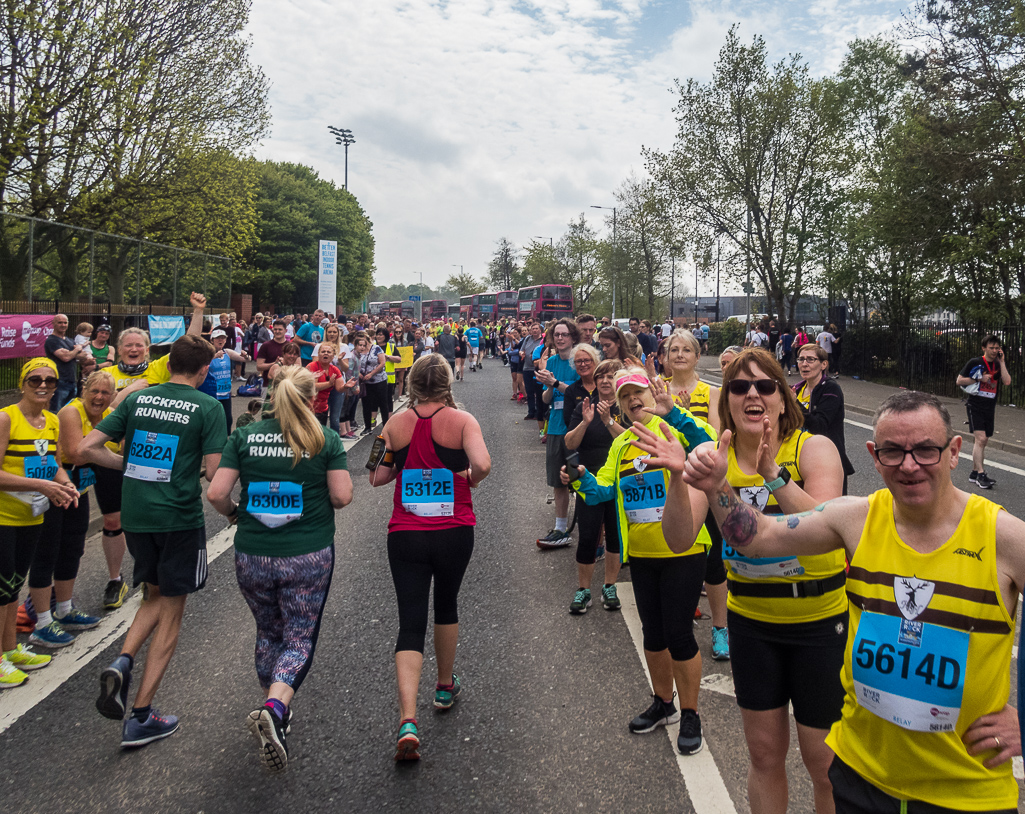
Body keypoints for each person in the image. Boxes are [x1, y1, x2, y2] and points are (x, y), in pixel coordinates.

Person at [663, 389, 1024, 814]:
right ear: (873, 455)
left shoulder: (1003, 537)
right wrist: (717, 485)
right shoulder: (856, 517)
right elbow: (757, 538)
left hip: (965, 793)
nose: (909, 465)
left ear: (954, 451)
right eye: (892, 451)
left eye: (926, 450)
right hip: (859, 779)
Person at [668, 347, 847, 813]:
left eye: (765, 386)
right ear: (726, 401)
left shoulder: (813, 447)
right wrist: (676, 478)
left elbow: (827, 530)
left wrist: (772, 475)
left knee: (824, 761)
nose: (753, 394)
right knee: (764, 754)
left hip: (818, 621)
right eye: (740, 387)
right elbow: (679, 537)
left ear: (783, 400)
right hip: (753, 621)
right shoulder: (713, 455)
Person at [82, 334, 228, 749]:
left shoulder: (137, 400)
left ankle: (123, 661)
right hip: (178, 518)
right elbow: (216, 476)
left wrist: (127, 465)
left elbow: (87, 447)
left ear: (169, 363)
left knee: (152, 595)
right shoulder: (208, 406)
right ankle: (142, 714)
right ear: (202, 371)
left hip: (138, 518)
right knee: (172, 612)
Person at [207, 365, 352, 772]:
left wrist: (236, 514)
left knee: (269, 629)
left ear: (273, 394)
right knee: (299, 636)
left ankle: (276, 709)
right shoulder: (324, 438)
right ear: (311, 398)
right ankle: (275, 704)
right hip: (307, 553)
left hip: (252, 553)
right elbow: (342, 497)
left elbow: (217, 492)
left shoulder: (245, 436)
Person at [563, 369, 716, 755]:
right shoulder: (622, 445)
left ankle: (691, 713)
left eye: (639, 392)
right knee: (653, 633)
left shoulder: (677, 429)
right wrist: (580, 479)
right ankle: (664, 703)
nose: (633, 399)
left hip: (684, 550)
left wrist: (676, 415)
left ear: (653, 395)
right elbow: (602, 491)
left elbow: (711, 447)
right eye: (624, 395)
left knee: (680, 634)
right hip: (644, 555)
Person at [368, 354, 491, 760]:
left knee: (409, 621)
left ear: (413, 383)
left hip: (406, 534)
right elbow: (483, 464)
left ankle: (407, 719)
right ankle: (443, 686)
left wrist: (405, 467)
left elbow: (376, 475)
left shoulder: (394, 424)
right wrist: (466, 478)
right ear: (447, 381)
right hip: (455, 529)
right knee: (447, 604)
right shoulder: (463, 421)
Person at [22, 371, 118, 649]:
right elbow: (76, 452)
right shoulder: (70, 412)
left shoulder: (109, 412)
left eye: (105, 392)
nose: (99, 397)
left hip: (79, 489)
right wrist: (115, 457)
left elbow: (121, 443)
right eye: (94, 391)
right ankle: (41, 621)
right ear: (83, 390)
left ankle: (64, 609)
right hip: (53, 489)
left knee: (73, 548)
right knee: (47, 553)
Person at [0, 359, 79, 687]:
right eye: (35, 379)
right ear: (23, 383)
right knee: (0, 589)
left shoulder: (50, 420)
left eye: (50, 380)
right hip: (4, 517)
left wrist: (64, 482)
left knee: (13, 586)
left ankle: (10, 649)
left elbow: (53, 463)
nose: (43, 385)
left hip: (31, 517)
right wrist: (41, 485)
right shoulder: (7, 418)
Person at [661, 330, 729, 660]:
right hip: (668, 483)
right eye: (673, 349)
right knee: (677, 555)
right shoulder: (657, 391)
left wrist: (684, 414)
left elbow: (715, 437)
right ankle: (681, 620)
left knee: (713, 561)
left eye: (686, 349)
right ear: (665, 355)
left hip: (702, 480)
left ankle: (720, 628)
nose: (679, 354)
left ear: (697, 355)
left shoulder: (711, 392)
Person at [563, 358, 624, 613]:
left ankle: (609, 585)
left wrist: (609, 421)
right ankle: (584, 590)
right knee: (588, 535)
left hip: (619, 481)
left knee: (615, 536)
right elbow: (569, 443)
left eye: (611, 377)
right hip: (589, 480)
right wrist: (586, 421)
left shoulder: (627, 406)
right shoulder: (586, 407)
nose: (605, 381)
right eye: (601, 377)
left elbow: (633, 441)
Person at [534, 318, 582, 548]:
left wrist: (555, 382)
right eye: (557, 335)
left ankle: (590, 530)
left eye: (564, 335)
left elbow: (580, 393)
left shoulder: (580, 361)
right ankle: (561, 528)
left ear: (573, 337)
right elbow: (546, 398)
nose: (560, 338)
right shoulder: (551, 361)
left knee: (580, 479)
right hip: (554, 427)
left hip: (577, 429)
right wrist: (546, 383)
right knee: (558, 482)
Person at [794, 344, 855, 494]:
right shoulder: (797, 389)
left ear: (823, 364)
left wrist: (794, 403)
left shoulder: (831, 389)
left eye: (810, 359)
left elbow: (820, 426)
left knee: (830, 512)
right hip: (799, 459)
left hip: (827, 460)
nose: (804, 364)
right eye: (801, 359)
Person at [956, 334, 1011, 491]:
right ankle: (981, 474)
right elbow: (959, 381)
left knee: (983, 441)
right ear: (984, 348)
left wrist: (1002, 362)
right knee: (981, 438)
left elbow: (1007, 381)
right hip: (975, 405)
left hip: (989, 407)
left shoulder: (998, 364)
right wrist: (979, 379)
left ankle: (974, 473)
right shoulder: (975, 362)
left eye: (997, 348)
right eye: (991, 348)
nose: (994, 351)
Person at [201, 328, 248, 434]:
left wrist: (246, 356)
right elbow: (200, 364)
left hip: (225, 393)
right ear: (212, 340)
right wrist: (213, 357)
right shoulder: (206, 354)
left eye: (223, 338)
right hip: (212, 393)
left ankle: (226, 443)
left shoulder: (227, 352)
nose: (220, 340)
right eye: (218, 338)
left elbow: (244, 359)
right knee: (213, 421)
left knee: (228, 420)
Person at [46, 313, 94, 411]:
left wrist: (74, 354)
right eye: (60, 323)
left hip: (72, 381)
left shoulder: (69, 340)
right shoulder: (52, 341)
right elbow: (66, 357)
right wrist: (77, 349)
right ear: (53, 323)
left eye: (65, 323)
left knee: (69, 411)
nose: (63, 325)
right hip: (59, 382)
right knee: (56, 411)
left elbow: (80, 357)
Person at [356, 331, 390, 435]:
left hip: (379, 379)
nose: (362, 345)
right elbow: (353, 363)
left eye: (363, 341)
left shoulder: (376, 348)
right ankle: (367, 427)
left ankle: (386, 427)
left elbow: (382, 363)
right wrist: (358, 374)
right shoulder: (357, 350)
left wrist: (371, 374)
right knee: (366, 404)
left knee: (383, 403)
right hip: (365, 381)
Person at [306, 342, 344, 427]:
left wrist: (346, 387)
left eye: (328, 352)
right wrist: (329, 383)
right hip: (309, 407)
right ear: (318, 354)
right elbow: (313, 387)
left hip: (323, 407)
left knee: (321, 434)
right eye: (323, 352)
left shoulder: (334, 369)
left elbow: (339, 388)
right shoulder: (312, 366)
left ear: (333, 356)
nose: (326, 353)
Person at [520, 323, 544, 423]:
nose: (534, 330)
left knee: (538, 392)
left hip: (537, 369)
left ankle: (539, 412)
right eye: (532, 329)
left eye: (536, 329)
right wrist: (521, 353)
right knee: (529, 391)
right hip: (527, 368)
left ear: (540, 330)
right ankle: (531, 411)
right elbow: (521, 350)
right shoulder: (527, 339)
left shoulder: (542, 341)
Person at [257, 319, 290, 385]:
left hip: (287, 384)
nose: (277, 331)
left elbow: (298, 365)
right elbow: (259, 366)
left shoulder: (291, 346)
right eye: (275, 329)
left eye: (280, 329)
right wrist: (274, 364)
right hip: (268, 384)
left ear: (285, 331)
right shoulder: (266, 345)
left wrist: (285, 362)